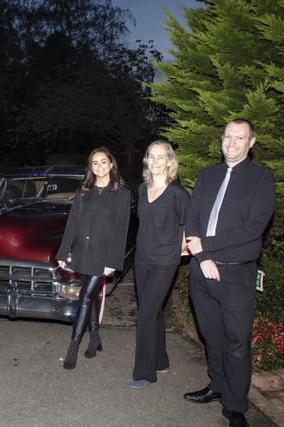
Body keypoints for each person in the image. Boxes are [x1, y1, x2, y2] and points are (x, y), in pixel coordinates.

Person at [183, 119, 275, 427]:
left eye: (240, 138)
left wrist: (206, 245)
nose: (232, 143)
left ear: (251, 143)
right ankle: (217, 386)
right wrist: (203, 256)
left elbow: (253, 230)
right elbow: (192, 215)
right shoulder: (207, 175)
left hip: (236, 276)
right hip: (201, 271)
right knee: (212, 336)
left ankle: (236, 405)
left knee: (237, 341)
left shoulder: (262, 181)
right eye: (227, 137)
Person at [56, 147, 131, 370]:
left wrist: (113, 261)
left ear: (111, 164)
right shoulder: (84, 190)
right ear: (90, 167)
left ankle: (73, 347)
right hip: (82, 252)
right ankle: (95, 337)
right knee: (92, 296)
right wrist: (63, 252)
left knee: (85, 297)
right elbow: (72, 223)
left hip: (103, 256)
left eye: (103, 162)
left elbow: (121, 230)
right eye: (94, 163)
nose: (99, 166)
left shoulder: (121, 192)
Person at [129, 140, 189, 389]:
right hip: (142, 259)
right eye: (150, 157)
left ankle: (145, 372)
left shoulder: (177, 193)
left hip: (165, 261)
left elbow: (189, 222)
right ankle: (161, 359)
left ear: (169, 161)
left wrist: (183, 246)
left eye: (160, 157)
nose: (154, 161)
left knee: (145, 314)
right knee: (151, 312)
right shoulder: (143, 189)